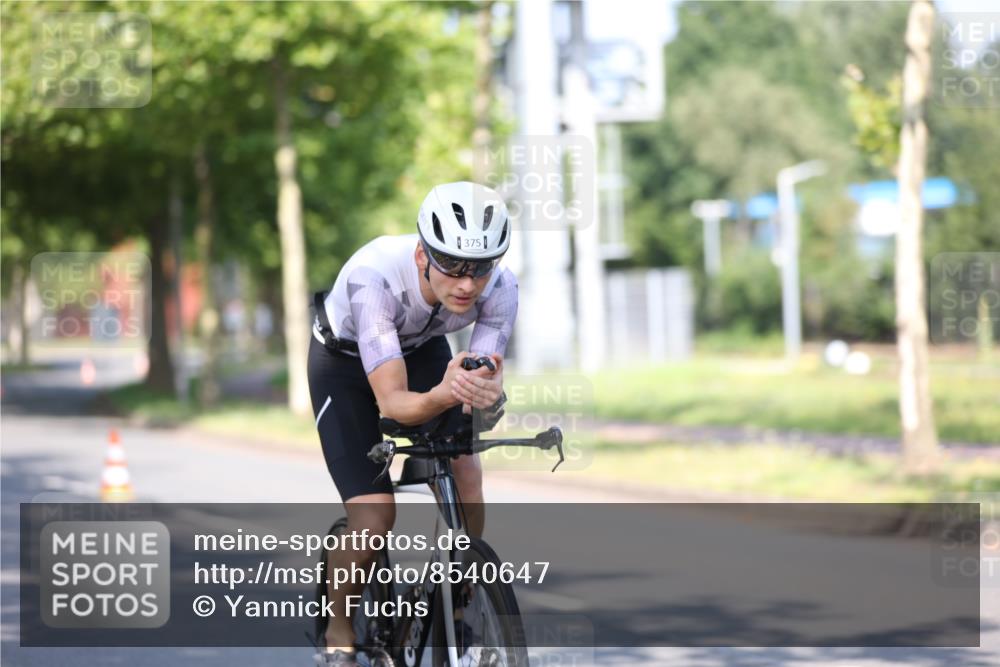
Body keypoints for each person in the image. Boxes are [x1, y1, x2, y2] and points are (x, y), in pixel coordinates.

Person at [307, 182, 517, 665]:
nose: (467, 284)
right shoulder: (373, 277)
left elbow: (480, 376)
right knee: (375, 517)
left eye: (481, 268)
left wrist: (484, 399)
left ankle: (464, 598)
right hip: (345, 367)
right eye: (454, 268)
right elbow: (394, 405)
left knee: (465, 468)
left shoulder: (502, 287)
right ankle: (338, 626)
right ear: (423, 253)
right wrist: (448, 394)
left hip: (421, 352)